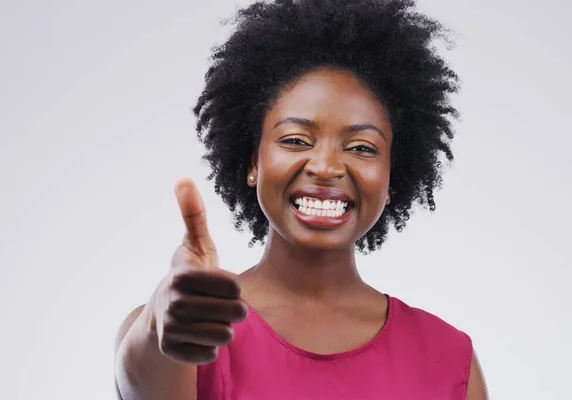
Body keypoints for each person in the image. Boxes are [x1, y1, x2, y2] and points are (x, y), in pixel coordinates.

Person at [114, 0, 488, 399]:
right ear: (252, 161)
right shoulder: (189, 330)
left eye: (362, 147)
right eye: (295, 140)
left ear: (391, 176)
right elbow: (144, 378)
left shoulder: (448, 358)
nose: (326, 167)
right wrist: (160, 316)